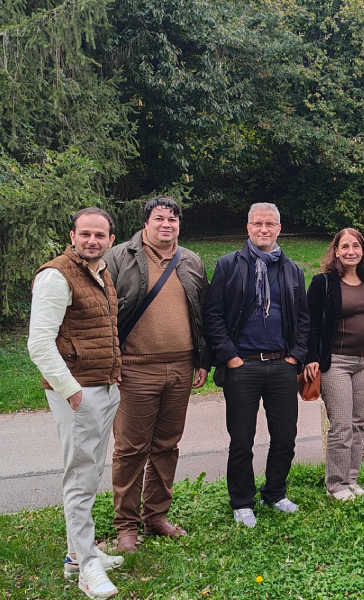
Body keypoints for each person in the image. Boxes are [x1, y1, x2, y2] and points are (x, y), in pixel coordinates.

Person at [26, 207, 124, 599]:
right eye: (85, 234)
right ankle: (87, 568)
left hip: (103, 387)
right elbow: (39, 343)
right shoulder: (56, 276)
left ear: (111, 241)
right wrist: (72, 391)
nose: (92, 241)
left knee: (90, 471)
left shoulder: (100, 273)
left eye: (100, 235)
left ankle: (75, 554)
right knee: (80, 480)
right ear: (72, 236)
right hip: (78, 393)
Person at [104, 196, 211, 553]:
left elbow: (202, 316)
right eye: (160, 218)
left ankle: (156, 517)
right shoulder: (119, 257)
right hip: (134, 367)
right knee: (131, 449)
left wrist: (201, 360)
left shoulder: (192, 261)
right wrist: (111, 361)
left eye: (173, 219)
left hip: (181, 366)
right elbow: (104, 314)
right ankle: (126, 527)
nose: (167, 224)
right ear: (146, 223)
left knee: (166, 446)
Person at [203, 202, 310, 528]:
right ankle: (241, 501)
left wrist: (295, 355)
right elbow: (213, 315)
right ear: (248, 228)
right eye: (257, 224)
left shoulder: (292, 270)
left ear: (279, 228)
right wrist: (230, 356)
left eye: (270, 224)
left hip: (281, 365)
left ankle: (275, 493)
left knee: (285, 437)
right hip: (243, 367)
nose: (264, 229)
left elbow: (303, 319)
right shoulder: (228, 266)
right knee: (241, 439)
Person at [303, 229, 364, 501]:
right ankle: (336, 485)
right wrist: (311, 357)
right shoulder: (323, 283)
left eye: (356, 246)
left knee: (358, 422)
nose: (351, 250)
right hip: (335, 363)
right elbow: (311, 323)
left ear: (363, 250)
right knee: (341, 424)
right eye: (345, 246)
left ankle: (352, 479)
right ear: (336, 251)